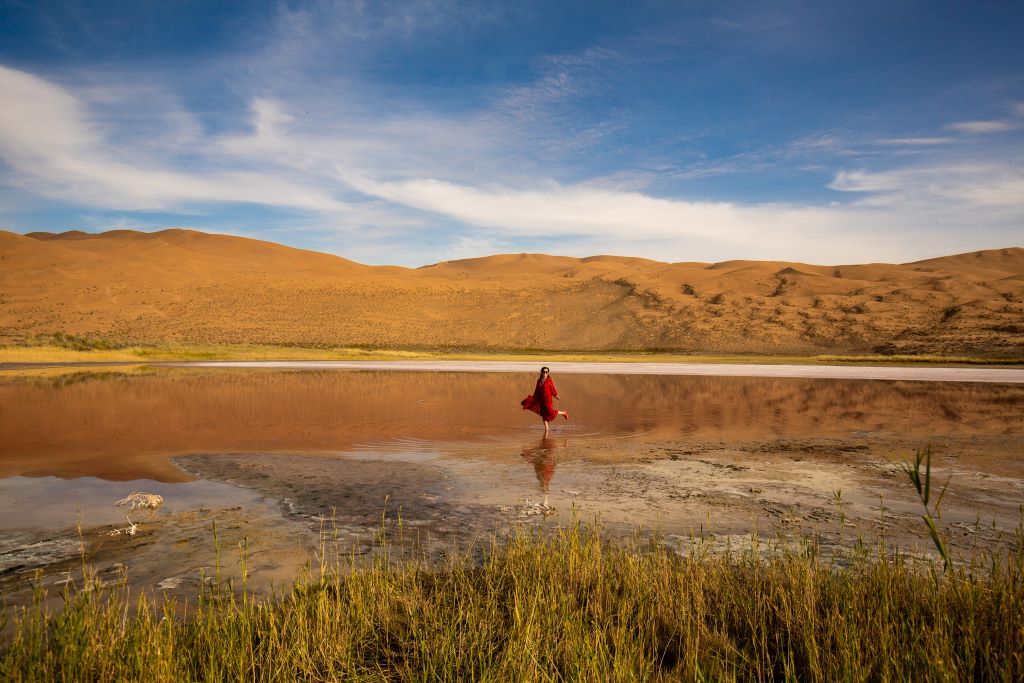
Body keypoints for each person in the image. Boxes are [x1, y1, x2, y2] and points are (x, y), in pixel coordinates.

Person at [520, 366, 568, 433]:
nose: (545, 373)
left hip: (548, 399)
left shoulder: (549, 381)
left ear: (548, 373)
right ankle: (547, 430)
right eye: (544, 371)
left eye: (546, 372)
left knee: (550, 412)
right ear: (541, 372)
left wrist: (556, 395)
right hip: (541, 399)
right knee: (543, 414)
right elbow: (537, 390)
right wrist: (534, 398)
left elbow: (552, 389)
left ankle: (563, 412)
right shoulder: (539, 381)